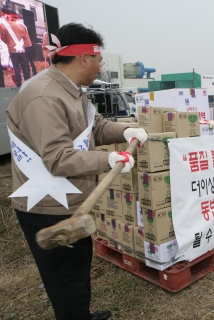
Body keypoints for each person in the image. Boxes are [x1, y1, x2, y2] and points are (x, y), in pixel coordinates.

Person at [6, 23, 148, 320]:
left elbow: (94, 127)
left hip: (70, 201)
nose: (100, 66)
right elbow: (58, 158)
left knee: (78, 271)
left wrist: (126, 130)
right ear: (84, 58)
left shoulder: (71, 90)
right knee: (66, 280)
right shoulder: (44, 96)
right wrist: (106, 160)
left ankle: (79, 314)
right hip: (48, 206)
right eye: (99, 59)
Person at [0, 8, 31, 86]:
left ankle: (18, 83)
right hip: (21, 49)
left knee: (16, 67)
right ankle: (28, 81)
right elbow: (25, 36)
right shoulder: (19, 24)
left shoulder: (3, 25)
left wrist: (9, 43)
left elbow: (3, 38)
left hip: (12, 49)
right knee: (24, 66)